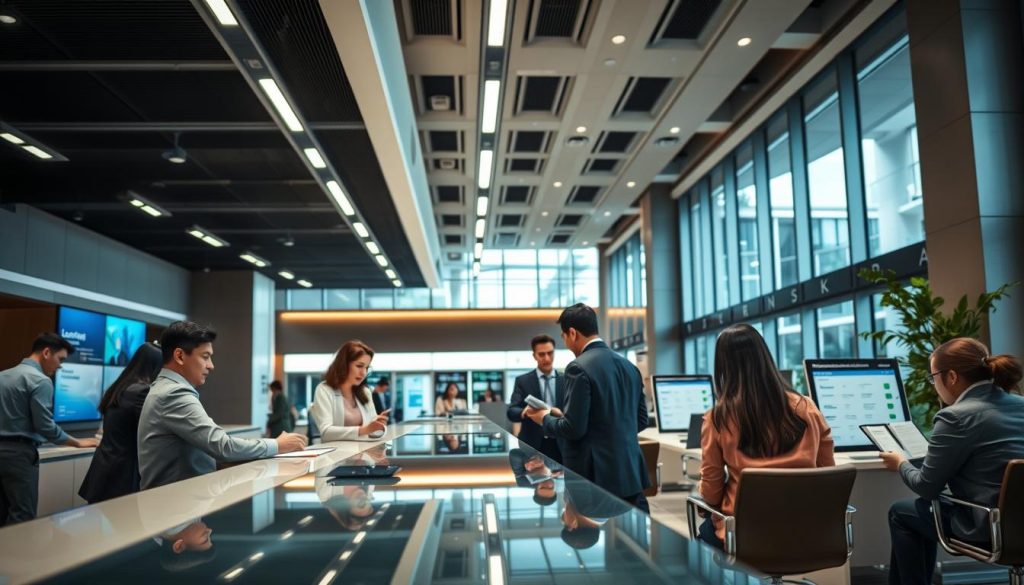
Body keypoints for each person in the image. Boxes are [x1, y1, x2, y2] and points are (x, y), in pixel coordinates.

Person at [880, 337, 1024, 585]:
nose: (934, 384)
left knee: (901, 512)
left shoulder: (955, 417)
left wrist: (900, 463)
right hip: (1019, 524)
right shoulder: (1020, 405)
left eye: (933, 376)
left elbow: (927, 487)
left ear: (952, 377)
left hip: (990, 528)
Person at [695, 323, 834, 549]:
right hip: (808, 529)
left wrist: (706, 502)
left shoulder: (718, 418)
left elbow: (711, 491)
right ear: (764, 357)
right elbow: (828, 473)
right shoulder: (806, 407)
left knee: (703, 537)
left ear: (723, 367)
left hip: (744, 534)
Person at [138, 321, 307, 489]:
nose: (211, 365)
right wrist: (277, 445)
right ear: (180, 356)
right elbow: (222, 446)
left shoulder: (166, 389)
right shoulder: (173, 394)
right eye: (205, 357)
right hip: (173, 508)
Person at [524, 303, 651, 512]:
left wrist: (544, 419)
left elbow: (574, 429)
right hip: (631, 474)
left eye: (564, 336)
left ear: (572, 333)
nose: (565, 342)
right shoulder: (629, 367)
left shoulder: (578, 367)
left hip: (595, 478)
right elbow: (640, 420)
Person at [0, 333, 99, 525]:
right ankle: (16, 556)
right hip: (19, 456)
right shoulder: (40, 380)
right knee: (22, 514)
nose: (60, 365)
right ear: (46, 352)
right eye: (60, 359)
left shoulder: (3, 375)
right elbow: (45, 426)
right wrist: (77, 442)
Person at [79, 342, 163, 504]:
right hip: (122, 475)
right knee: (126, 526)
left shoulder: (121, 387)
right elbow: (153, 430)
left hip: (104, 468)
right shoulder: (141, 391)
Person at [309, 340, 390, 441]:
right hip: (337, 455)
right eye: (359, 366)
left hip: (363, 453)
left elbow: (372, 433)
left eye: (366, 367)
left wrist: (379, 426)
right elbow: (326, 432)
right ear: (344, 364)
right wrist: (363, 430)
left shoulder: (365, 392)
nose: (363, 373)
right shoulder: (324, 390)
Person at [508, 333, 566, 462]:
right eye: (541, 354)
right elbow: (512, 411)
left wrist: (561, 414)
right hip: (532, 444)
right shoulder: (523, 381)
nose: (547, 358)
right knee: (533, 482)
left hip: (561, 443)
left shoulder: (566, 380)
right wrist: (525, 412)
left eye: (550, 353)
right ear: (534, 356)